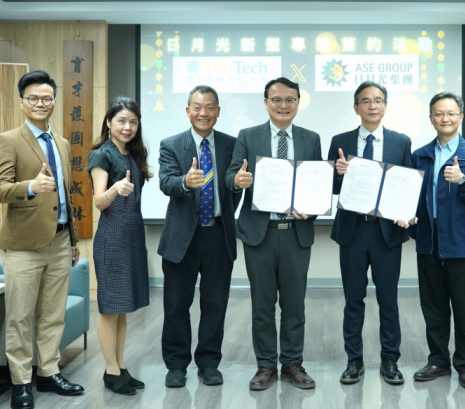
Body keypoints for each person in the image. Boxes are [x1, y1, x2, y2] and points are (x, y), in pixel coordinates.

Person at [0, 70, 85, 409]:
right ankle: (21, 382)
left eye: (46, 98)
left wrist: (72, 239)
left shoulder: (61, 143)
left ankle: (48, 372)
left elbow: (66, 198)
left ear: (54, 102)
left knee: (53, 314)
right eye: (33, 98)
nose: (40, 103)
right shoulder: (8, 140)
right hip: (23, 246)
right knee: (20, 317)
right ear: (22, 102)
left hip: (59, 241)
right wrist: (31, 186)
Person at [226, 77, 321, 391]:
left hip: (296, 233)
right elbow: (230, 175)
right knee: (262, 305)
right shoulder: (248, 136)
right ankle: (265, 365)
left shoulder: (311, 138)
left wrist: (312, 208)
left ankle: (293, 364)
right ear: (266, 102)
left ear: (298, 103)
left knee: (294, 305)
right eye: (277, 100)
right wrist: (236, 180)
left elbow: (316, 183)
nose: (283, 105)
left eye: (290, 99)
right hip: (260, 234)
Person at [327, 81, 413, 386]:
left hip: (386, 233)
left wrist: (408, 213)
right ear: (356, 107)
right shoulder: (340, 141)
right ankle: (354, 360)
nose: (372, 106)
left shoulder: (401, 142)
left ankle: (390, 360)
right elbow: (331, 188)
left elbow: (407, 185)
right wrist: (337, 174)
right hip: (352, 231)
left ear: (385, 106)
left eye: (378, 100)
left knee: (388, 300)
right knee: (353, 299)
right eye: (365, 101)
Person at [409, 92, 465, 390]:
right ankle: (438, 361)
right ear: (431, 118)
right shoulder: (420, 155)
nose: (444, 118)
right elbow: (412, 197)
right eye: (439, 113)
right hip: (429, 240)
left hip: (462, 242)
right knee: (433, 307)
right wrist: (410, 221)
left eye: (450, 113)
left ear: (461, 117)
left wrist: (463, 180)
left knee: (464, 307)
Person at [158, 85, 241, 388]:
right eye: (197, 107)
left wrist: (236, 188)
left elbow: (233, 187)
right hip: (182, 236)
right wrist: (185, 182)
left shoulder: (232, 145)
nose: (203, 113)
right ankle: (176, 365)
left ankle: (208, 363)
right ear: (187, 111)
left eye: (209, 107)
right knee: (176, 304)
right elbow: (166, 182)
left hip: (219, 233)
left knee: (215, 304)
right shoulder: (171, 144)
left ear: (218, 111)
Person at [87, 96, 151, 395]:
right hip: (112, 235)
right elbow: (99, 202)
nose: (128, 127)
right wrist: (115, 189)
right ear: (109, 122)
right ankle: (110, 371)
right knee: (110, 308)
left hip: (133, 234)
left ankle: (121, 366)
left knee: (123, 307)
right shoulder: (101, 155)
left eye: (133, 122)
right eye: (122, 121)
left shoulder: (133, 153)